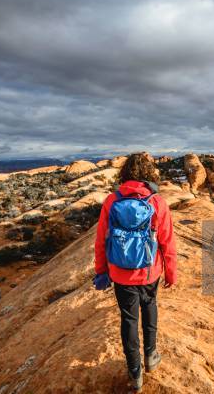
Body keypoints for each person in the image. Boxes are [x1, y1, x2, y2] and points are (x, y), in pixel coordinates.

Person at [93, 153, 177, 391]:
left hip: (121, 273)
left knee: (128, 320)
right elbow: (167, 243)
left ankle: (135, 374)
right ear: (149, 174)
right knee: (150, 308)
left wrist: (101, 271)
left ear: (126, 173)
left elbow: (101, 241)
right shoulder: (157, 202)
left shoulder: (112, 200)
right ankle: (151, 357)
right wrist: (171, 273)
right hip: (150, 272)